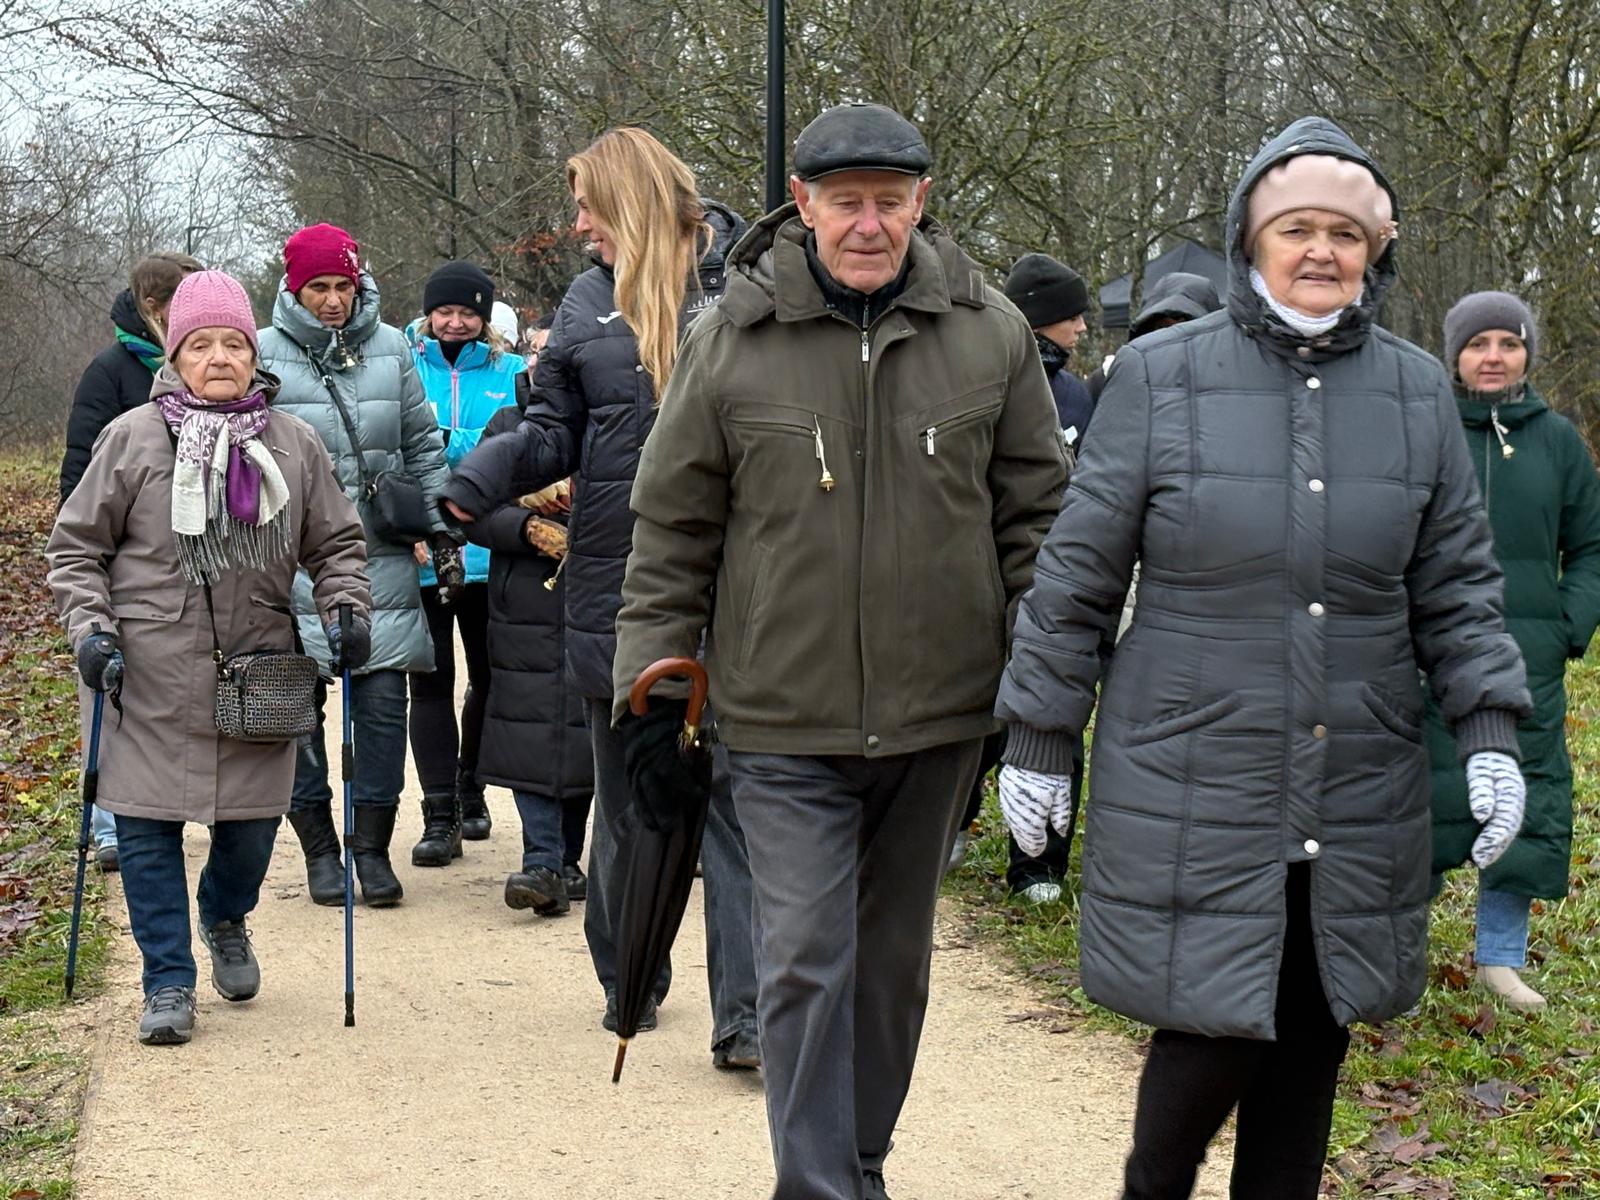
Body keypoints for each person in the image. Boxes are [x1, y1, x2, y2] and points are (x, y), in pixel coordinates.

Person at [993, 116, 1532, 1200]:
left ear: (1375, 248)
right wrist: (1041, 736)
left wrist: (1488, 730)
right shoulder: (1160, 374)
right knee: (1205, 1036)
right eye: (1297, 228)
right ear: (1252, 238)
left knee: (1314, 1029)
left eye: (1346, 232)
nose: (1321, 250)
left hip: (1358, 768)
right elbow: (1078, 575)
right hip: (1198, 766)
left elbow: (1458, 587)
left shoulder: (1416, 390)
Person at [609, 102, 1066, 1198]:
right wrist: (649, 692)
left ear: (921, 202)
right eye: (846, 202)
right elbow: (672, 528)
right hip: (779, 720)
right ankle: (818, 1188)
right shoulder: (731, 339)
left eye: (889, 202)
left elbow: (1039, 523)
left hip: (940, 717)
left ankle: (858, 1165)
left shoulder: (991, 332)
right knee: (806, 958)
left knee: (891, 969)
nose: (869, 224)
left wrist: (1044, 692)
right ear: (802, 205)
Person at [441, 129, 762, 1069]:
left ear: (629, 199)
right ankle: (631, 978)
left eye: (588, 205)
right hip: (615, 588)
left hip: (740, 587)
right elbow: (554, 432)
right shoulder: (588, 302)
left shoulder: (745, 288)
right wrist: (480, 478)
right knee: (630, 809)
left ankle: (746, 1018)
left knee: (737, 810)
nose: (578, 224)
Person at [46, 270, 369, 1045]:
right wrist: (90, 632)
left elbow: (337, 546)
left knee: (252, 829)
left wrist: (346, 609)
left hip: (258, 671)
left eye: (233, 344)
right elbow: (76, 550)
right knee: (146, 830)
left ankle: (224, 914)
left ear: (254, 355)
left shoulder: (292, 443)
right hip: (140, 673)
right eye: (200, 345)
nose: (218, 358)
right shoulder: (132, 438)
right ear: (174, 354)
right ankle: (167, 981)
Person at [258, 223, 455, 909]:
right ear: (295, 289)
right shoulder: (261, 353)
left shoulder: (393, 348)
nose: (334, 300)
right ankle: (319, 849)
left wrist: (440, 527)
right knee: (292, 713)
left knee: (381, 710)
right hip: (286, 559)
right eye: (319, 287)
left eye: (343, 285)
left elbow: (421, 445)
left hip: (379, 556)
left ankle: (371, 848)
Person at [1424, 290, 1600, 1012]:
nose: (1493, 357)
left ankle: (1499, 957)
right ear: (1455, 355)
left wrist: (1566, 624)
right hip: (1428, 653)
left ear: (1527, 352)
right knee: (1420, 795)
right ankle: (1398, 949)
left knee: (1524, 798)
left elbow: (1591, 545)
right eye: (1477, 344)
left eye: (1508, 343)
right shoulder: (1423, 429)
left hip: (1529, 657)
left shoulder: (1558, 441)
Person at [60, 250, 203, 872]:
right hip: (122, 558)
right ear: (152, 306)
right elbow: (78, 472)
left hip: (190, 560)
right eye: (182, 300)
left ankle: (175, 806)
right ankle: (109, 825)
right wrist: (91, 560)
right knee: (111, 690)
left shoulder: (205, 366)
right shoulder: (111, 371)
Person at [403, 261, 526, 864]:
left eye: (467, 313)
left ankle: (470, 785)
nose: (455, 323)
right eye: (445, 312)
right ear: (429, 314)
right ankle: (438, 815)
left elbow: (519, 446)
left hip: (488, 551)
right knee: (429, 683)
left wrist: (447, 442)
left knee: (489, 678)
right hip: (423, 549)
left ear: (484, 317)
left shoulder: (513, 372)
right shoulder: (403, 367)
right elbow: (395, 452)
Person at [465, 406, 594, 911]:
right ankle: (541, 859)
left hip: (596, 589)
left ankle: (567, 858)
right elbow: (472, 508)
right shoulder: (507, 426)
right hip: (522, 599)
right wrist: (527, 527)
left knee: (585, 724)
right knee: (529, 726)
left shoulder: (611, 418)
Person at [1087, 271, 1222, 402]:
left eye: (1185, 328)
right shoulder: (1112, 378)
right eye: (1163, 327)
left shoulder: (1226, 384)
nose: (1173, 336)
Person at [1004, 253, 1094, 447]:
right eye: (1072, 318)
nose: (1082, 327)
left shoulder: (1075, 393)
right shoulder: (992, 386)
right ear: (1037, 323)